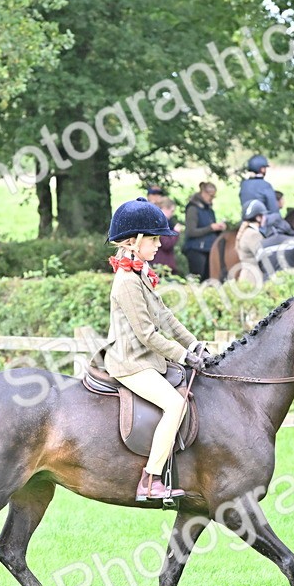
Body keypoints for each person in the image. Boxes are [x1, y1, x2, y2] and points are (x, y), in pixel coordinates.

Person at [104, 198, 210, 501]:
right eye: (153, 239)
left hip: (146, 357)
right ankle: (150, 480)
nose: (159, 244)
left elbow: (165, 316)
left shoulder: (141, 273)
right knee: (175, 405)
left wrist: (193, 343)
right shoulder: (127, 281)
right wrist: (183, 355)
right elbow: (147, 334)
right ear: (135, 241)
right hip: (131, 362)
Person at [239, 154, 294, 237]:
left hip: (245, 220)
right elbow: (274, 209)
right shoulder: (265, 185)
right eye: (265, 168)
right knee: (277, 218)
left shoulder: (244, 185)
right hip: (262, 224)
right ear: (262, 169)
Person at [183, 182, 226, 281]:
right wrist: (211, 228)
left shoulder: (209, 210)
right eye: (211, 196)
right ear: (204, 193)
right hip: (196, 249)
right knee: (198, 278)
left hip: (209, 249)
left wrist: (219, 228)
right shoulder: (193, 209)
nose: (212, 199)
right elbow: (191, 231)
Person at [235, 199, 267, 284]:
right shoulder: (253, 235)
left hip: (246, 277)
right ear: (258, 218)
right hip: (254, 279)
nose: (265, 218)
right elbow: (263, 257)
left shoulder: (247, 232)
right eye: (264, 215)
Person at [153, 198, 182, 273]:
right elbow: (166, 244)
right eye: (171, 211)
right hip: (161, 263)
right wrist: (176, 232)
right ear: (165, 208)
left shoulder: (160, 221)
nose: (172, 214)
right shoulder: (159, 223)